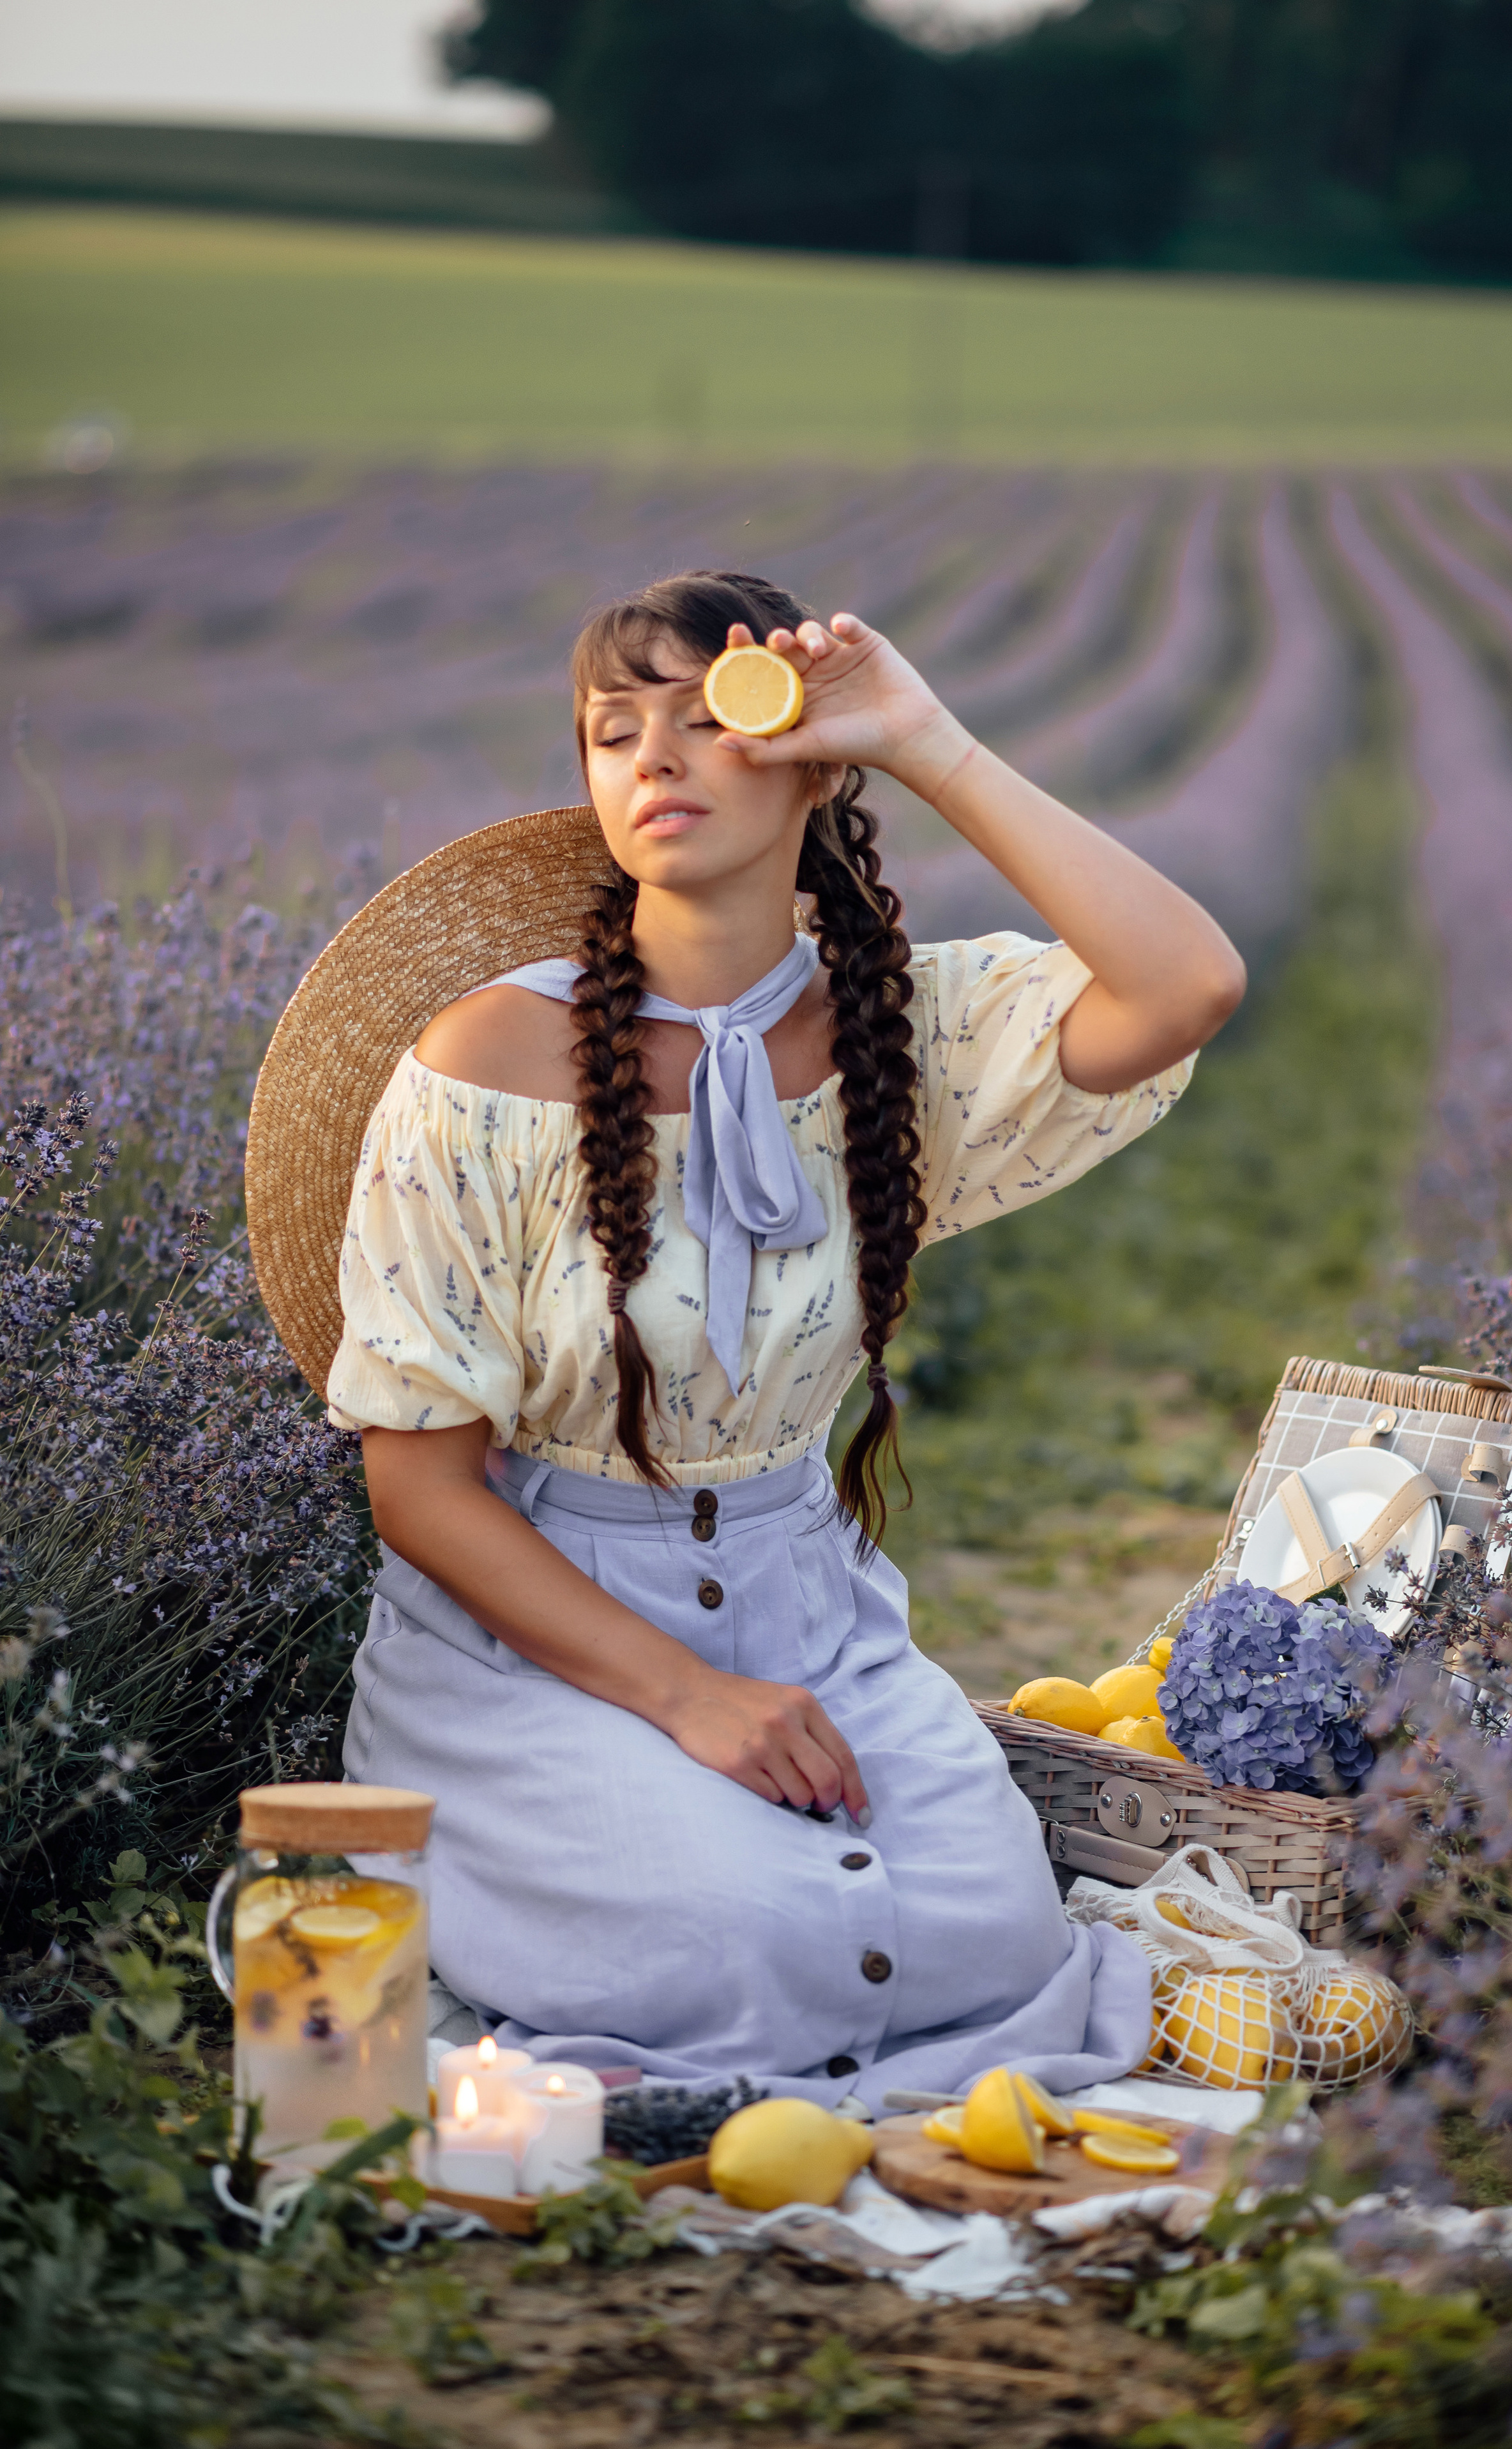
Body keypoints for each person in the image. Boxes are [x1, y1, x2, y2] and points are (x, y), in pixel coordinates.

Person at [328, 570, 1246, 2105]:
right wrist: (687, 1696)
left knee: (982, 1937)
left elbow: (1187, 981)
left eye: (702, 720)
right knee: (746, 1938)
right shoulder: (486, 1061)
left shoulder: (903, 1037)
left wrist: (924, 738)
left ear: (813, 762)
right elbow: (420, 1491)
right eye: (611, 732)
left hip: (803, 1605)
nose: (653, 759)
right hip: (532, 1636)